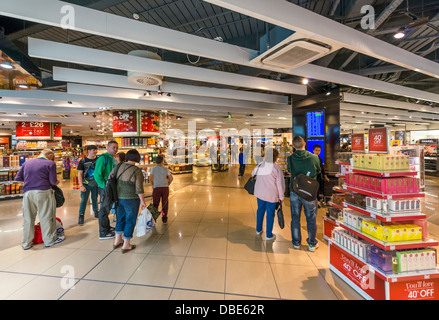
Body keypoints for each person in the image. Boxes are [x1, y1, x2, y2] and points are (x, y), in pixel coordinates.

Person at [15, 149, 63, 249]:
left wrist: (31, 179)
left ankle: (26, 243)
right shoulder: (50, 163)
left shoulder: (27, 163)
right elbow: (53, 181)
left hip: (28, 193)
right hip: (43, 192)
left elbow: (18, 178)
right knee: (46, 217)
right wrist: (57, 181)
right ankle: (48, 241)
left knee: (28, 219)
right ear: (49, 155)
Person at [287, 136, 321, 252]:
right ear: (305, 144)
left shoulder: (290, 158)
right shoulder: (314, 158)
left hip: (295, 191)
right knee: (311, 218)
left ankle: (296, 242)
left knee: (295, 217)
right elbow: (318, 170)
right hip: (309, 192)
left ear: (293, 146)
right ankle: (311, 244)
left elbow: (289, 171)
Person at [112, 149, 147, 253]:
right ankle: (126, 244)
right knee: (130, 220)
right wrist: (143, 202)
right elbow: (139, 189)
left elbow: (110, 179)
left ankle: (117, 240)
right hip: (131, 200)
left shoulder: (118, 166)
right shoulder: (137, 171)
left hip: (118, 198)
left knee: (120, 219)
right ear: (137, 158)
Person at [252, 148, 285, 241]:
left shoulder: (260, 166)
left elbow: (253, 173)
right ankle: (269, 234)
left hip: (260, 194)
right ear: (276, 157)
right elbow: (280, 184)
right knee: (270, 214)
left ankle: (258, 230)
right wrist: (281, 197)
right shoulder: (277, 169)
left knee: (260, 211)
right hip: (271, 195)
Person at [94, 140, 119, 240]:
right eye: (113, 147)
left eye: (117, 148)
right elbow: (97, 174)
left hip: (111, 186)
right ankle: (103, 232)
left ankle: (107, 227)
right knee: (104, 209)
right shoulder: (103, 158)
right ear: (107, 147)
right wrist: (104, 186)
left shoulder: (112, 159)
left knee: (107, 208)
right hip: (105, 187)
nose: (116, 149)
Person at [77, 145, 99, 226]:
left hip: (96, 184)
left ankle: (96, 212)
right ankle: (81, 215)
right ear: (89, 151)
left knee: (95, 199)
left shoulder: (98, 160)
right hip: (85, 184)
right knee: (84, 200)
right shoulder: (83, 161)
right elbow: (79, 173)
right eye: (94, 150)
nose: (95, 151)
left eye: (96, 150)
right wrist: (81, 185)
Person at [150, 154, 173, 224]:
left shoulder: (153, 169)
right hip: (165, 188)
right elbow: (171, 178)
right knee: (164, 204)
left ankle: (154, 219)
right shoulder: (165, 169)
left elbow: (150, 178)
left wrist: (153, 184)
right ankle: (164, 218)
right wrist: (167, 183)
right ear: (162, 161)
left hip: (156, 188)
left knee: (155, 204)